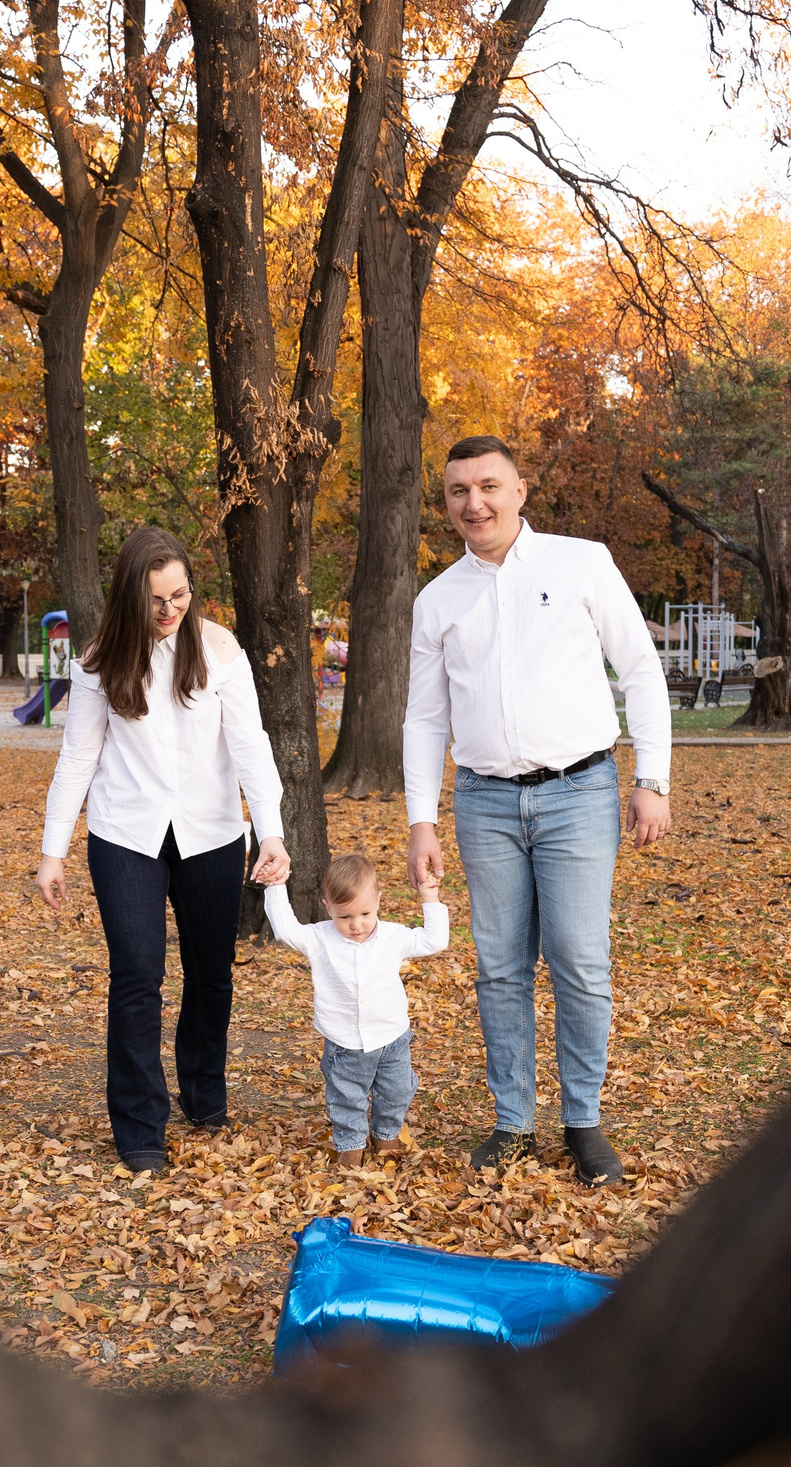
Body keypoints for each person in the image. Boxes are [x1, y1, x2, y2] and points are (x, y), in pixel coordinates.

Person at [402, 434, 671, 1186]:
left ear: (520, 491)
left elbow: (641, 667)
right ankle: (513, 1121)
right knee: (500, 969)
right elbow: (424, 718)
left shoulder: (580, 562)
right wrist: (422, 819)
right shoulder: (437, 601)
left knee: (581, 964)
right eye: (459, 491)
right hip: (484, 802)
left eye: (489, 486)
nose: (474, 503)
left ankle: (582, 1120)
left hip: (580, 792)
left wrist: (653, 776)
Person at [36, 527, 289, 1173]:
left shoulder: (222, 651)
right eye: (156, 599)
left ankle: (204, 1098)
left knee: (211, 975)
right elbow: (78, 756)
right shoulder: (97, 661)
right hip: (126, 836)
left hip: (211, 834)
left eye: (179, 595)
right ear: (130, 596)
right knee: (137, 975)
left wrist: (272, 830)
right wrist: (53, 850)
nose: (170, 609)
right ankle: (140, 1127)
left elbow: (252, 746)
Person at [261, 852, 450, 1163]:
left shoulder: (393, 936)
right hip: (345, 1043)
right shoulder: (319, 938)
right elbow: (285, 930)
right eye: (344, 917)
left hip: (392, 1038)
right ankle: (351, 1149)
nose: (356, 925)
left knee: (398, 1092)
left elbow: (435, 941)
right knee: (347, 1099)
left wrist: (429, 897)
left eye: (365, 913)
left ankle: (385, 1137)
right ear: (327, 907)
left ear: (378, 899)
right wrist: (276, 886)